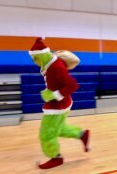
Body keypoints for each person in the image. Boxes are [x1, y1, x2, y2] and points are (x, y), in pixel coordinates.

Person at [29, 37, 90, 169]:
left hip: (58, 106)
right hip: (61, 105)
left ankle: (56, 157)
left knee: (46, 134)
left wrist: (53, 95)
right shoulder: (49, 64)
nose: (34, 62)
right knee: (59, 129)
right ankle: (82, 134)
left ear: (41, 55)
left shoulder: (56, 67)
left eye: (35, 59)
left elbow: (73, 85)